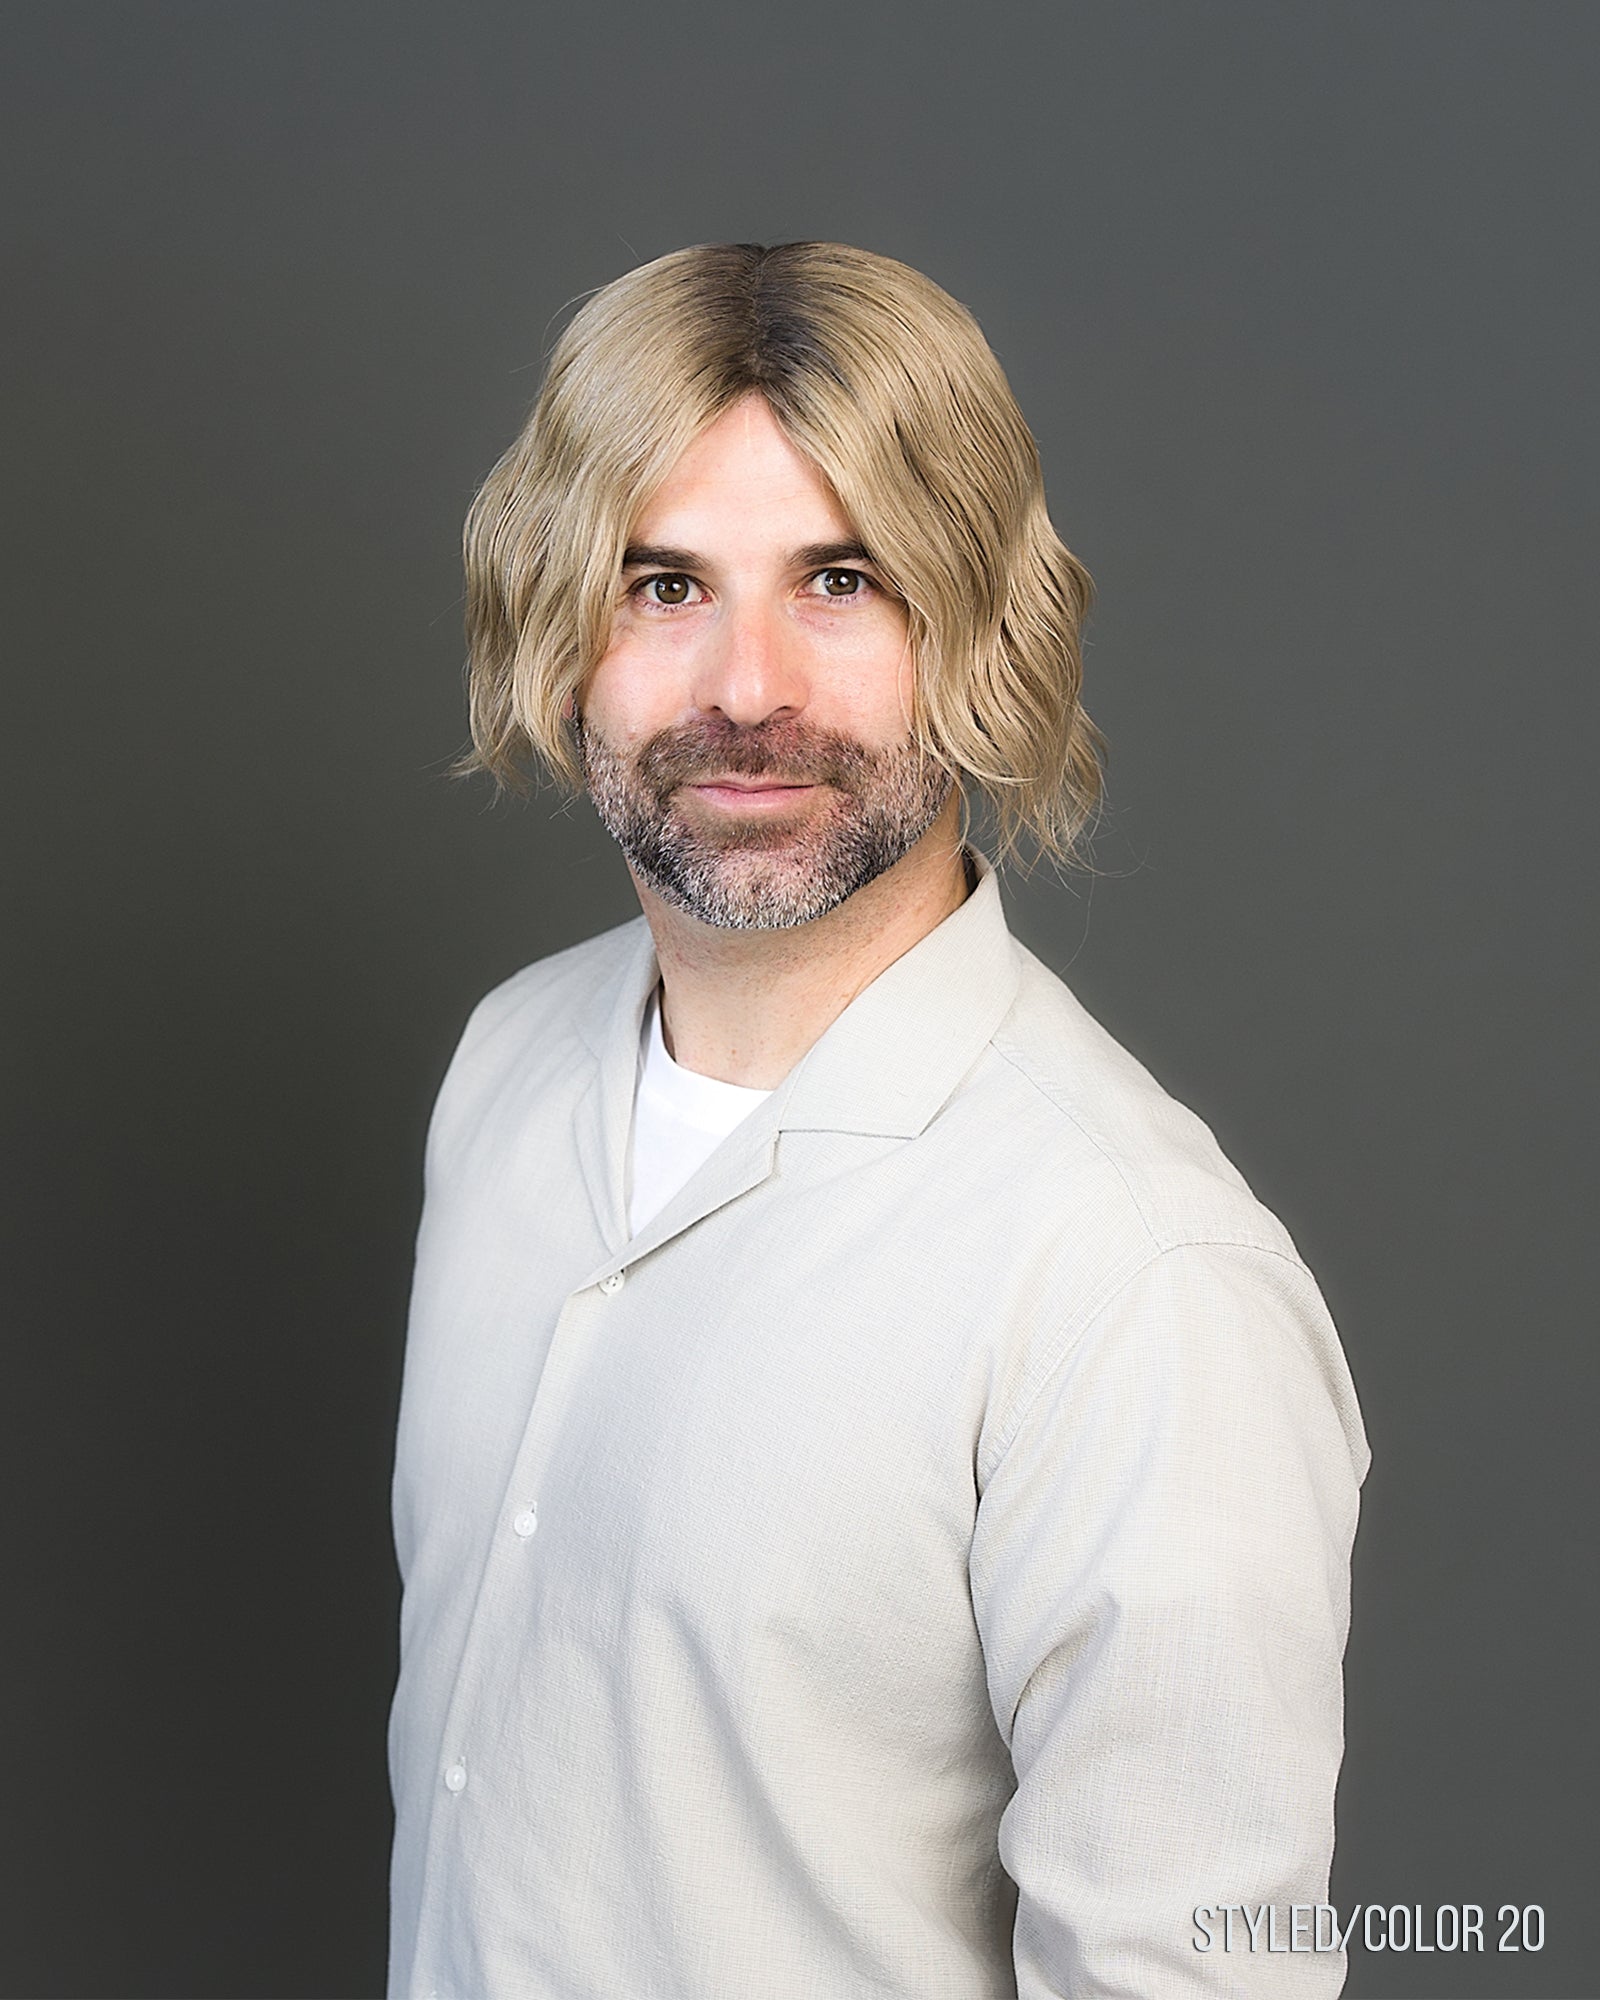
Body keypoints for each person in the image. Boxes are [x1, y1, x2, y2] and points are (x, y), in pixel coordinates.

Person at [387, 240, 1369, 1999]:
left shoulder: (1136, 1282)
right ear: (563, 631)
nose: (745, 687)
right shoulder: (506, 1068)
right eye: (663, 585)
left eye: (839, 580)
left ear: (976, 628)